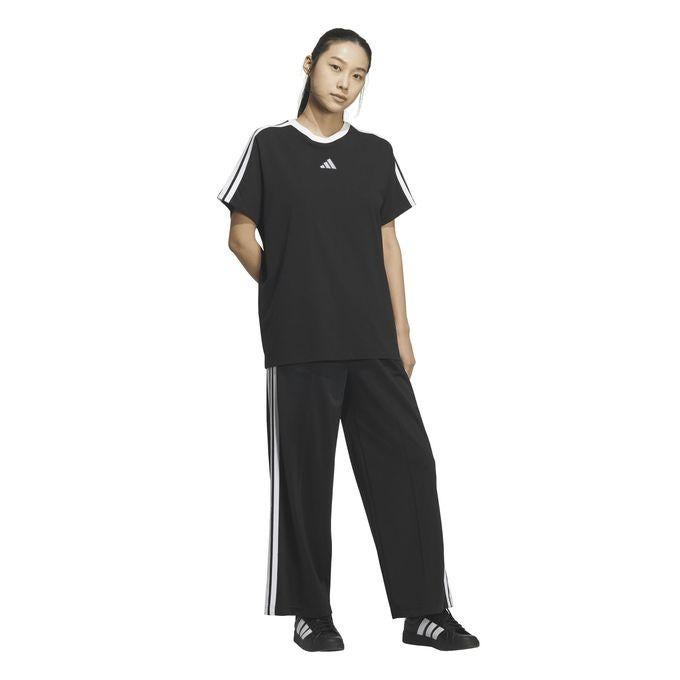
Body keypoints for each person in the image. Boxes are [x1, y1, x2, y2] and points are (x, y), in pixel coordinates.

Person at [217, 27, 479, 653]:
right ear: (310, 65)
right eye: (336, 67)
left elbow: (389, 243)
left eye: (358, 75)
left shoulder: (375, 153)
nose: (345, 83)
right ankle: (311, 612)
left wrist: (402, 332)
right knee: (305, 479)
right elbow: (240, 234)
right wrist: (286, 289)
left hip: (372, 342)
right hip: (300, 345)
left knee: (409, 466)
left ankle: (425, 612)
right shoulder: (270, 145)